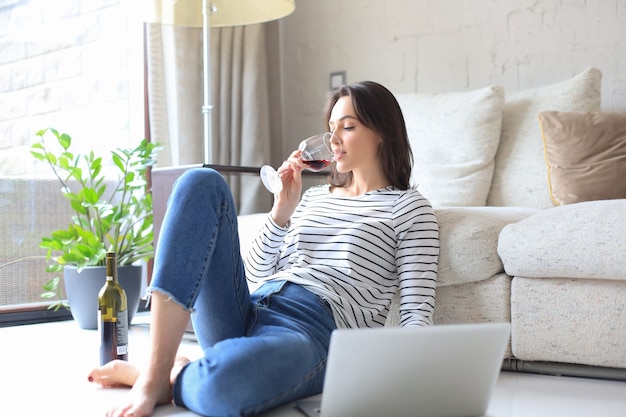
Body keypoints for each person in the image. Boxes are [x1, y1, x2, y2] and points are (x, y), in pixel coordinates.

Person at [88, 80, 439, 417]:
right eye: (330, 128)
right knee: (200, 181)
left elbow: (416, 310)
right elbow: (256, 273)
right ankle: (154, 374)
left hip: (314, 332)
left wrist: (405, 376)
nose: (333, 140)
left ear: (383, 132)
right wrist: (281, 212)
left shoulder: (409, 208)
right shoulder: (314, 198)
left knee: (223, 387)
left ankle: (175, 376)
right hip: (252, 306)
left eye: (347, 127)